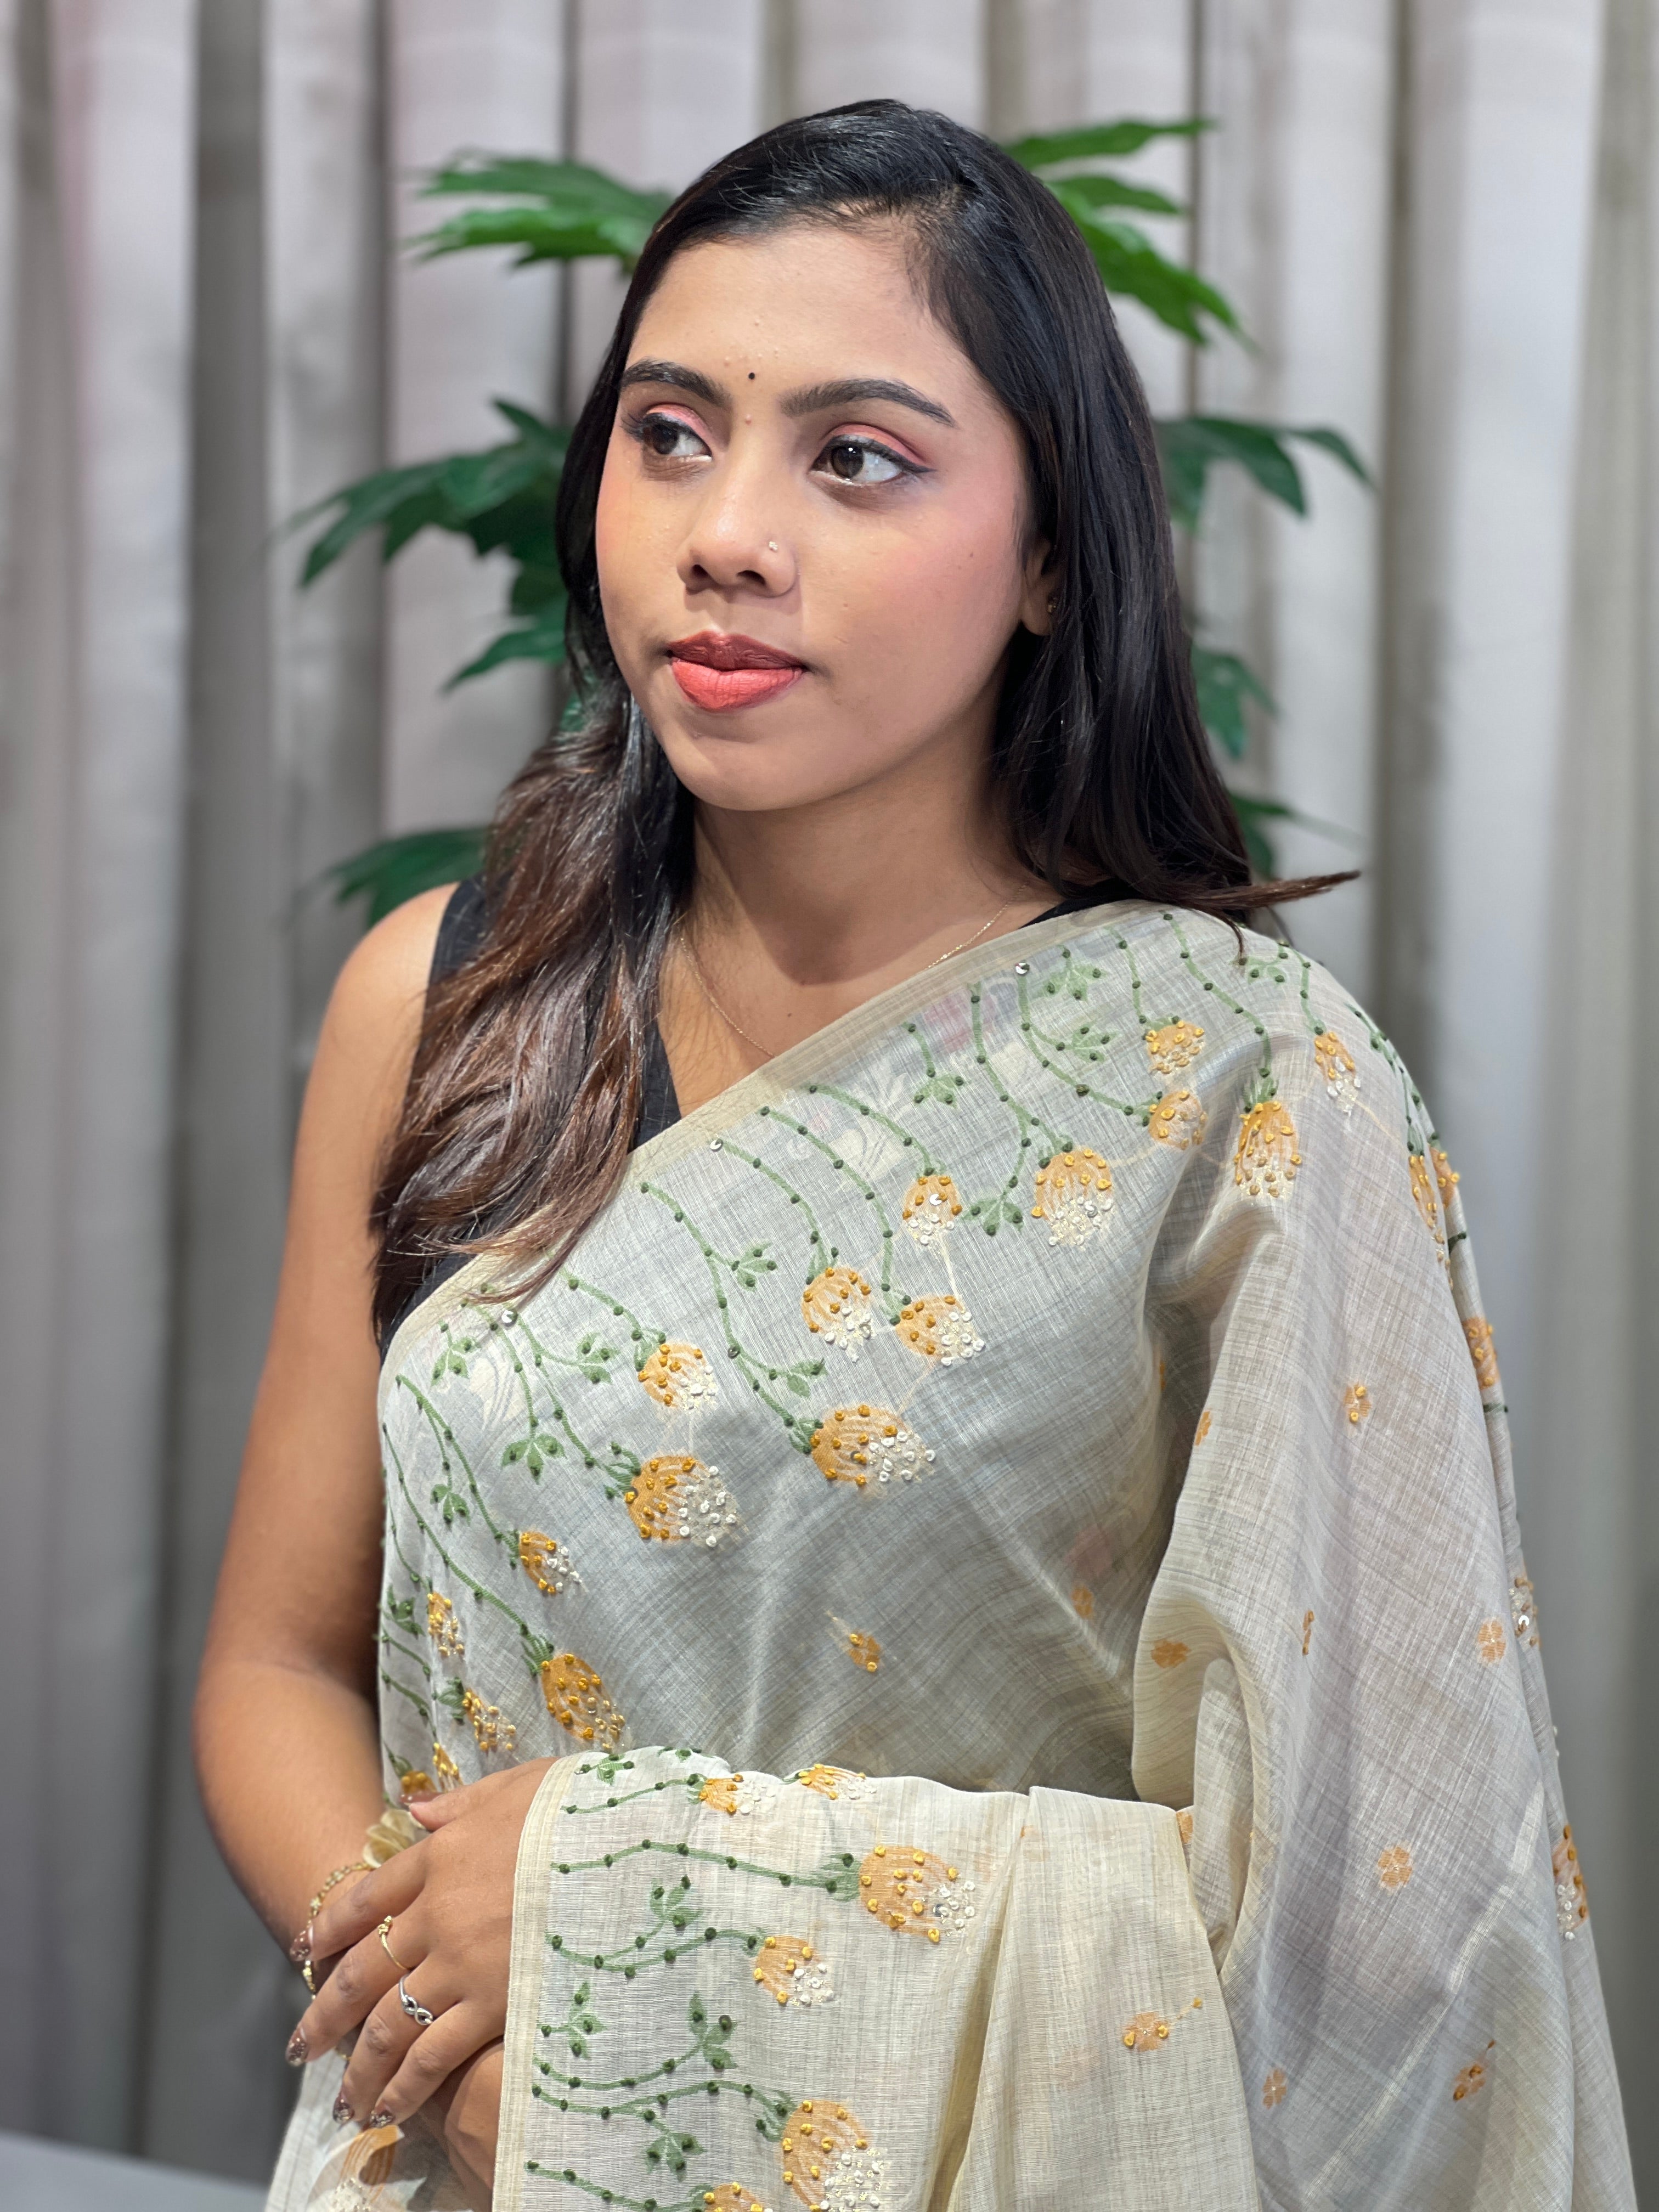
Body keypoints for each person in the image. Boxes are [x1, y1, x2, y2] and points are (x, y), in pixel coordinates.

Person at [196, 101, 1632, 2212]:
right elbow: (280, 1663)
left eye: (856, 459)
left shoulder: (1237, 1090)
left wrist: (618, 1957)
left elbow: (1371, 1925)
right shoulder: (451, 1001)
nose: (725, 534)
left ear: (1052, 555)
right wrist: (469, 2047)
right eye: (670, 434)